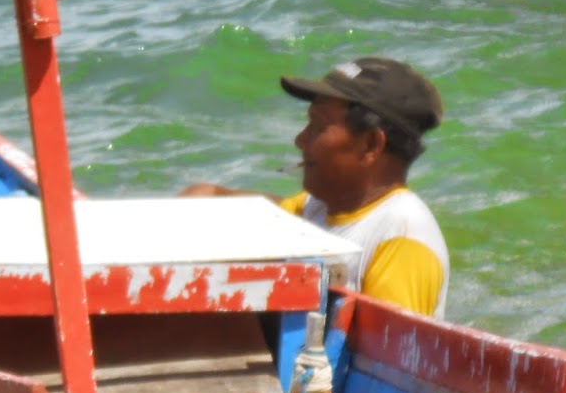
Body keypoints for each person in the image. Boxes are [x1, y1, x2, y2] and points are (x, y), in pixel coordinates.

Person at [185, 57, 449, 318]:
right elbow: (266, 211)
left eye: (319, 127)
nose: (300, 140)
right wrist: (209, 196)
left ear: (370, 145)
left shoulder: (400, 239)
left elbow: (389, 357)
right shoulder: (320, 207)